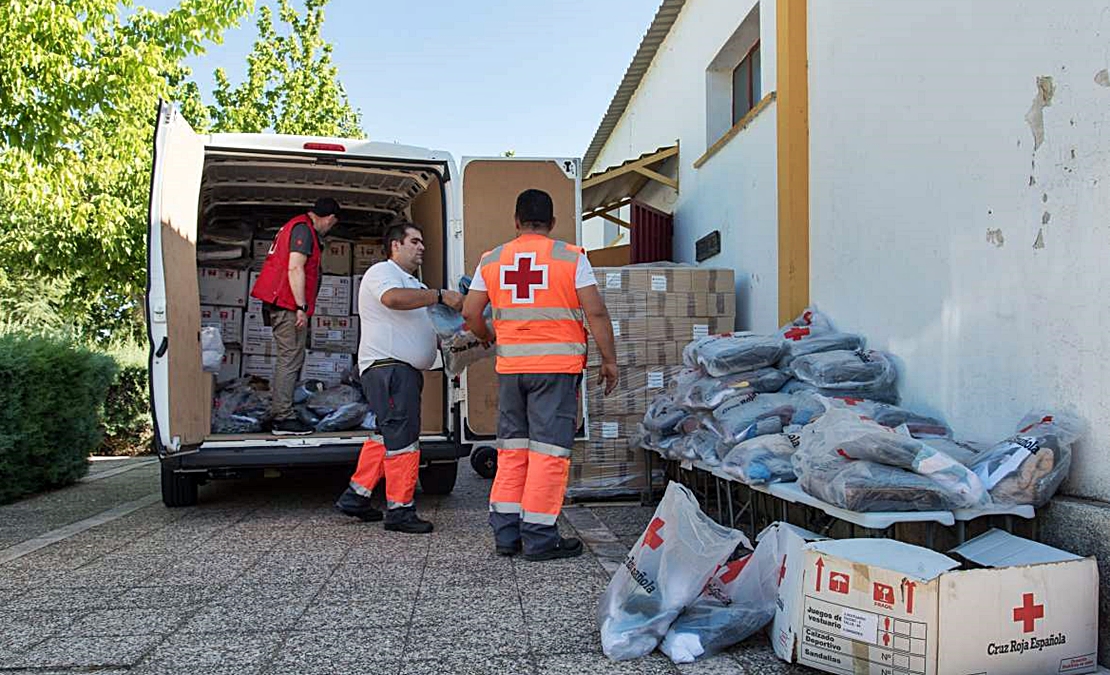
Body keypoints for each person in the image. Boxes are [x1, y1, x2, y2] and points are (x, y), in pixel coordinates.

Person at [462, 188, 619, 561]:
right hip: (556, 371)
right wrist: (609, 360)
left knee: (513, 451)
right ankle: (539, 538)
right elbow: (595, 313)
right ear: (552, 223)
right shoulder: (570, 258)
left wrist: (487, 337)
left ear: (516, 222)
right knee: (548, 454)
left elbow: (470, 314)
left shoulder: (493, 259)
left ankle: (506, 535)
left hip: (512, 370)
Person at [334, 222, 464, 533]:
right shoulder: (382, 273)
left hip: (399, 370)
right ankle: (400, 510)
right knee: (404, 440)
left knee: (386, 434)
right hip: (389, 368)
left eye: (422, 242)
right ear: (395, 245)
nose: (421, 248)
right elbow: (392, 300)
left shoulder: (413, 284)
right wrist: (439, 295)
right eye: (415, 241)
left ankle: (356, 496)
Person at [250, 197, 341, 435]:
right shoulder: (304, 230)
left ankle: (279, 410)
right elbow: (295, 267)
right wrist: (301, 306)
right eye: (331, 224)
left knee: (289, 359)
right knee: (290, 360)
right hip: (287, 304)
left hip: (280, 302)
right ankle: (282, 417)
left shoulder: (296, 226)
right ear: (330, 219)